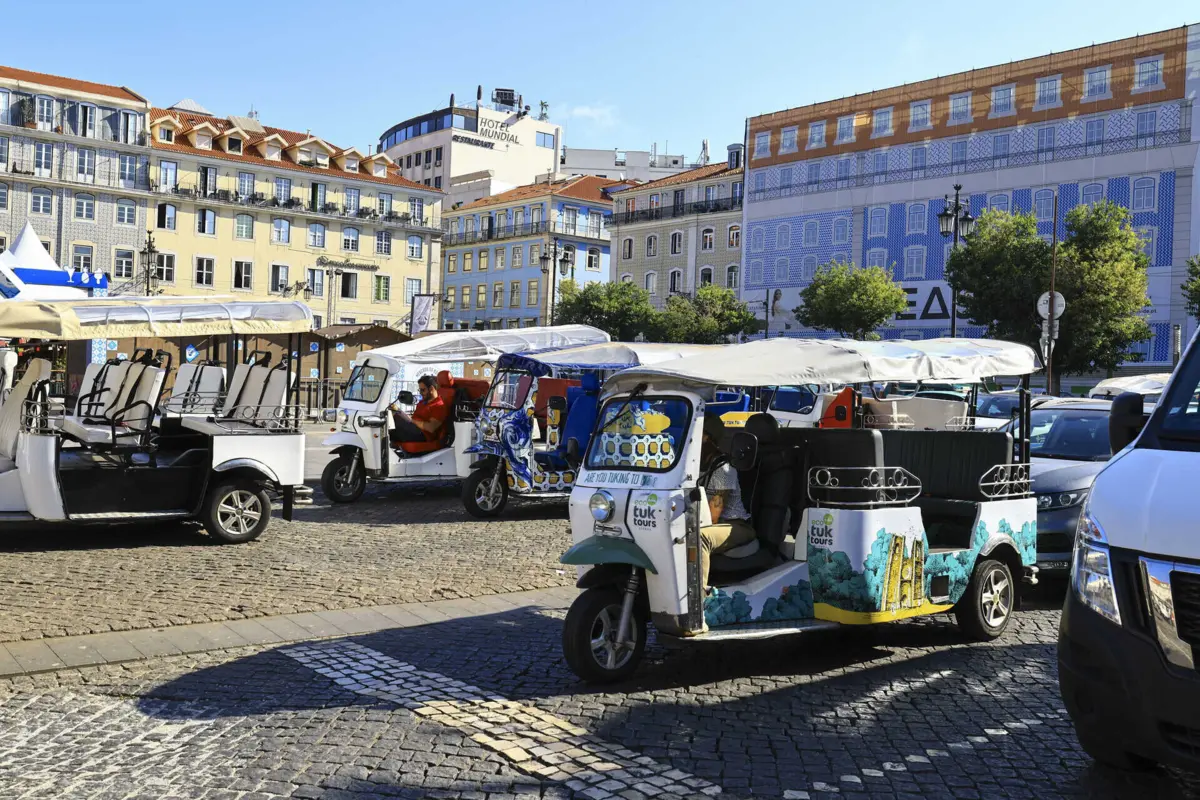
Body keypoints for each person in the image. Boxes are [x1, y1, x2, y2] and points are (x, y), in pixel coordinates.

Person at [698, 413, 756, 595]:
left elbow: (713, 517)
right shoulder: (696, 466)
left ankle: (698, 598)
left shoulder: (723, 469)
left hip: (736, 525)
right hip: (717, 523)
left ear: (708, 437)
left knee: (701, 537)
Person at [390, 375, 449, 445]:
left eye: (423, 390)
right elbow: (415, 419)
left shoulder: (439, 406)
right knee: (390, 412)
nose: (420, 393)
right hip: (412, 428)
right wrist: (405, 416)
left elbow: (431, 427)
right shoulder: (423, 402)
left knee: (394, 418)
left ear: (431, 389)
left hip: (422, 435)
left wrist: (411, 420)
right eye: (419, 390)